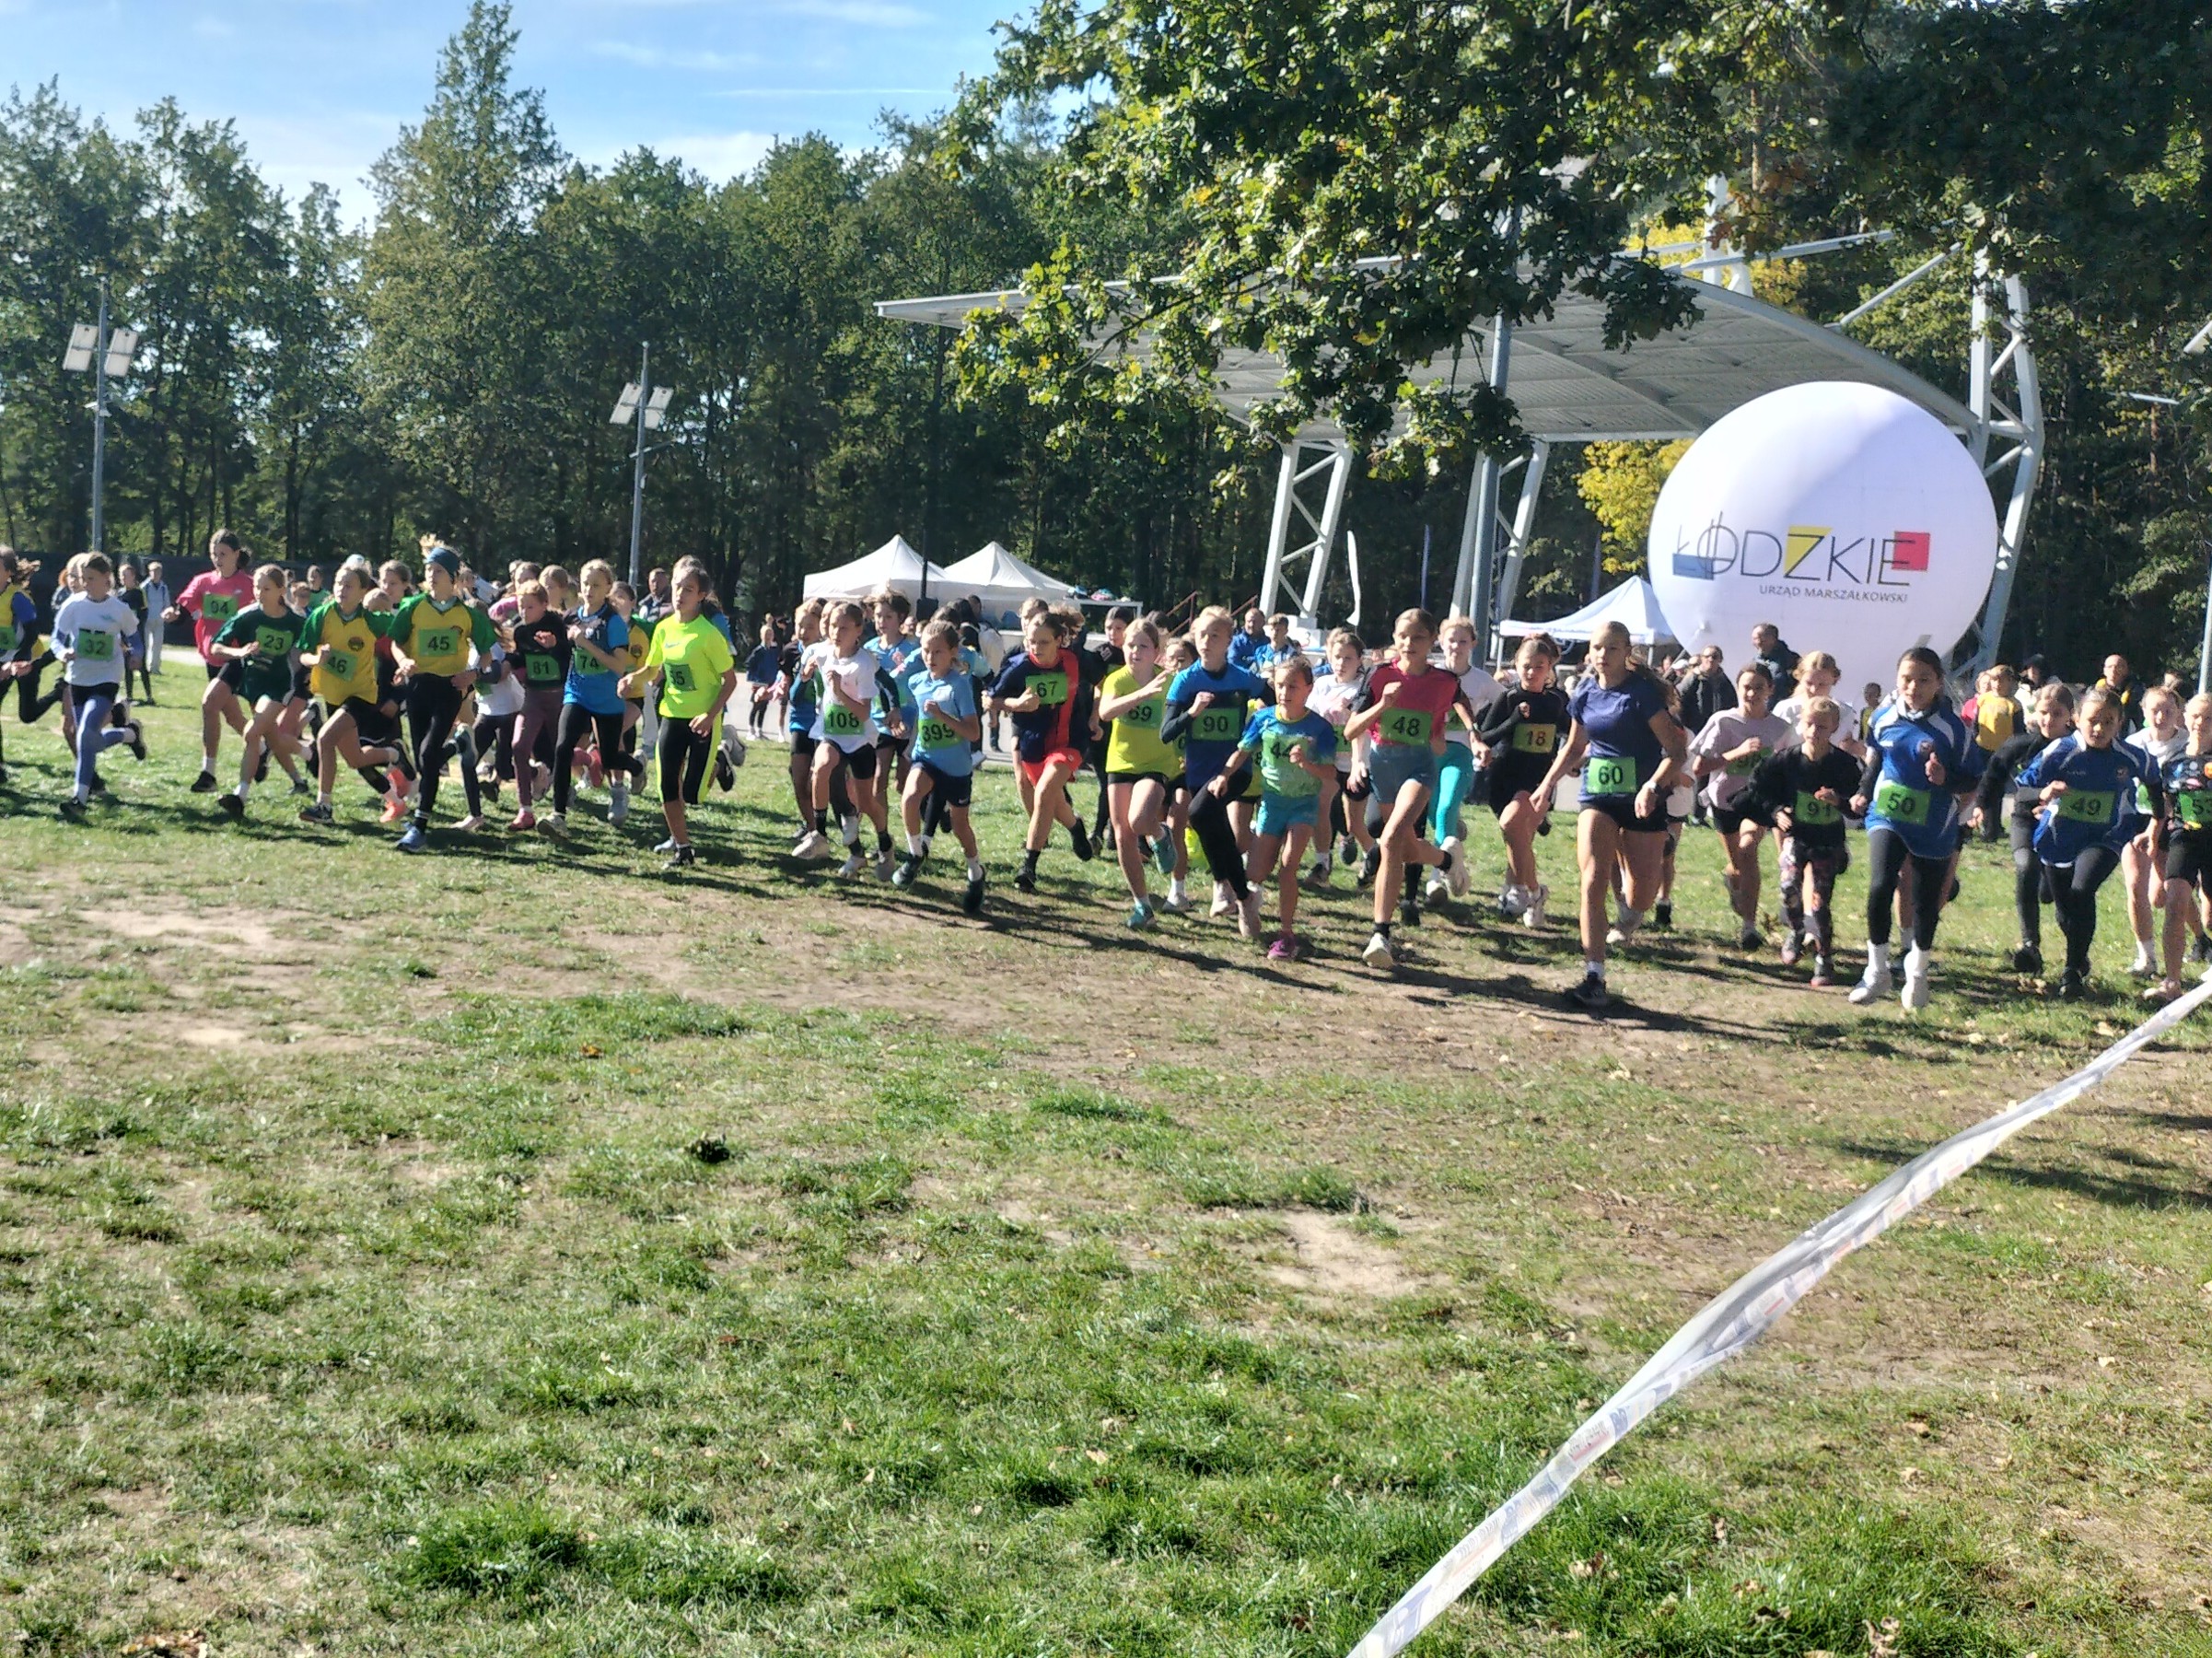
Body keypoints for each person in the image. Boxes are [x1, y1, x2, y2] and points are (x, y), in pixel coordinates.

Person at [1531, 619, 1689, 1010]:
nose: (1603, 655)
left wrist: (1653, 786)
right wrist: (1547, 784)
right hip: (1598, 796)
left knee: (1641, 895)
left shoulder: (1641, 695)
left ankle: (1634, 899)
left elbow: (1676, 752)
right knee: (1592, 880)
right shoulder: (1585, 692)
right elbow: (1574, 747)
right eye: (1597, 648)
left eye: (1612, 648)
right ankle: (1594, 974)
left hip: (1642, 799)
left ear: (1626, 652)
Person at [1847, 647, 1985, 1010]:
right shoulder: (1883, 717)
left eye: (1924, 680)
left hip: (1933, 822)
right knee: (1880, 885)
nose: (1914, 687)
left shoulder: (1953, 729)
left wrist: (1944, 779)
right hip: (1887, 814)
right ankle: (1876, 971)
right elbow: (1877, 759)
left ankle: (1917, 972)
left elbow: (1972, 779)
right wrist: (1863, 792)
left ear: (1939, 683)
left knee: (1924, 901)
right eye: (1907, 679)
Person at [2016, 685, 2160, 999]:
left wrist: (2157, 820)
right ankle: (2079, 957)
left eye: (2108, 722)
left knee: (2082, 890)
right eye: (2093, 721)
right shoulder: (2061, 751)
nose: (2099, 729)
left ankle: (2071, 972)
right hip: (2059, 838)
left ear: (2119, 723)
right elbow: (2022, 789)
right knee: (2065, 911)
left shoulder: (2128, 755)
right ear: (2077, 719)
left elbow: (2153, 778)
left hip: (2107, 836)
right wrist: (2043, 793)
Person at [1344, 608, 1470, 969]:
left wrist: (1465, 735)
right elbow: (1351, 730)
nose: (1408, 643)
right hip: (1384, 767)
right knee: (1407, 849)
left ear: (1432, 641)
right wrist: (1383, 705)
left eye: (1417, 637)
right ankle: (1447, 859)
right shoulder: (1380, 674)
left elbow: (1452, 710)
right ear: (1394, 638)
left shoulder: (1444, 681)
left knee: (1390, 840)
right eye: (1402, 636)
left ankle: (1380, 934)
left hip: (1419, 768)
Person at [1214, 654, 1336, 959]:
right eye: (1280, 685)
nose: (1285, 692)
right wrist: (1224, 776)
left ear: (1308, 689)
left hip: (1303, 805)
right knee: (1255, 873)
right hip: (1272, 803)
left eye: (1293, 686)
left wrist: (1307, 764)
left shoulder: (1319, 728)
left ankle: (1286, 935)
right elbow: (1242, 751)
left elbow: (1330, 773)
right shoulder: (1263, 719)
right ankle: (1248, 905)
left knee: (1288, 865)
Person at [619, 566, 738, 869]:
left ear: (701, 595)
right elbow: (653, 669)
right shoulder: (664, 628)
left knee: (693, 793)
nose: (680, 594)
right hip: (672, 714)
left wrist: (710, 715)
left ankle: (719, 762)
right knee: (667, 786)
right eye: (677, 586)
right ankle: (683, 849)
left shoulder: (709, 635)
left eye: (688, 589)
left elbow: (730, 681)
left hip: (703, 719)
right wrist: (632, 678)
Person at [1163, 608, 1274, 928]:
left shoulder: (1242, 678)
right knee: (1213, 825)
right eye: (1202, 635)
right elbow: (1166, 732)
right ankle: (1241, 897)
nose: (1207, 641)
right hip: (1199, 771)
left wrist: (1258, 727)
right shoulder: (1186, 680)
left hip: (1235, 768)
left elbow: (1275, 702)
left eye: (1215, 636)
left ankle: (1233, 892)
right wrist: (1192, 712)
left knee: (1198, 813)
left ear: (1228, 641)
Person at [1743, 696, 1862, 986]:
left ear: (1834, 728)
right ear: (1800, 724)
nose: (1813, 731)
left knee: (1819, 903)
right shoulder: (1786, 760)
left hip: (1827, 841)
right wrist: (1776, 812)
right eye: (1809, 724)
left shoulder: (1844, 764)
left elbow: (1858, 805)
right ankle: (1796, 931)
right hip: (1796, 837)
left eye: (1821, 727)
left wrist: (1839, 801)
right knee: (1788, 888)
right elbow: (1757, 786)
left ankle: (1825, 957)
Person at [386, 545, 498, 852]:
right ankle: (459, 745)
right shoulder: (413, 607)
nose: (431, 576)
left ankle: (419, 827)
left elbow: (487, 654)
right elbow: (396, 642)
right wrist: (403, 661)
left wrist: (473, 674)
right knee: (426, 761)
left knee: (427, 753)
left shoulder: (467, 614)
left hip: (449, 688)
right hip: (418, 687)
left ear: (452, 578)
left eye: (438, 571)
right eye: (428, 570)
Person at [988, 607, 1097, 893]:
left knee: (1045, 793)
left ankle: (1029, 866)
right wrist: (1016, 705)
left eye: (1044, 642)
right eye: (1031, 641)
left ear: (1060, 640)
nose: (1036, 648)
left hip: (1070, 742)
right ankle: (1075, 827)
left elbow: (1103, 681)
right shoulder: (1019, 667)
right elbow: (990, 698)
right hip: (1034, 745)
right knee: (1054, 803)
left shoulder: (1075, 660)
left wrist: (1095, 717)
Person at [1971, 681, 2074, 976]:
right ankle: (2030, 945)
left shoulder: (2078, 748)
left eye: (2057, 714)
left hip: (2064, 826)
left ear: (2070, 715)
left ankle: (2075, 956)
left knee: (2054, 892)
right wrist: (1980, 805)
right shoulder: (2019, 745)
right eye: (2044, 712)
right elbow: (1994, 775)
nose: (2048, 720)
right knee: (2026, 867)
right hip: (2024, 819)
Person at [297, 565, 412, 825]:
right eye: (339, 583)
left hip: (361, 695)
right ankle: (394, 772)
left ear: (363, 592)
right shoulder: (322, 615)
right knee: (355, 759)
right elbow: (303, 653)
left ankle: (324, 807)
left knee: (324, 738)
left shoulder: (371, 620)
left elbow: (401, 634)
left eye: (349, 585)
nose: (342, 589)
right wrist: (317, 659)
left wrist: (404, 663)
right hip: (333, 696)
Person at [1688, 663, 1789, 950]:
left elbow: (1787, 767)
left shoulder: (1780, 728)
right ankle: (1733, 879)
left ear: (1770, 690)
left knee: (1748, 850)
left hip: (1758, 802)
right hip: (1725, 801)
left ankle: (1749, 928)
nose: (1752, 693)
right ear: (1737, 688)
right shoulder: (1723, 722)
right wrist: (1737, 753)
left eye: (1759, 687)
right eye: (1746, 687)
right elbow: (1699, 767)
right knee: (1738, 865)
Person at [890, 619, 986, 913]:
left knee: (960, 827)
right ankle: (915, 854)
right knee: (909, 797)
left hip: (956, 767)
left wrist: (942, 716)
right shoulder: (917, 682)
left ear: (953, 652)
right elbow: (907, 706)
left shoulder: (959, 685)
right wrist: (898, 719)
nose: (930, 657)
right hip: (926, 758)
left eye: (938, 652)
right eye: (926, 651)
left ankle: (976, 872)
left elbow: (973, 733)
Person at [796, 600, 897, 878]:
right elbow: (805, 671)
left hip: (859, 739)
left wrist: (840, 692)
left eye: (843, 628)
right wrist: (805, 674)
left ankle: (885, 843)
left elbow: (864, 712)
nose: (836, 633)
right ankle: (819, 834)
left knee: (867, 802)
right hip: (831, 732)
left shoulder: (863, 663)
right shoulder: (823, 652)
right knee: (821, 767)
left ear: (858, 631)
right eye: (832, 626)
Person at [1477, 633, 1568, 928]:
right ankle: (1532, 893)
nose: (1532, 672)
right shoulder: (1509, 698)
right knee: (1518, 839)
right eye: (1527, 666)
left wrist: (1570, 762)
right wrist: (1514, 720)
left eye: (1539, 666)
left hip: (1538, 779)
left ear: (1549, 668)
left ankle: (1520, 891)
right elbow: (1485, 736)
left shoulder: (1556, 702)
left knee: (1512, 827)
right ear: (1516, 664)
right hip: (1505, 775)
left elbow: (1572, 734)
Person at [206, 563, 310, 819]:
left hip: (279, 687)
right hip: (252, 684)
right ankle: (301, 773)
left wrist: (312, 664)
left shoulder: (296, 621)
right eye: (256, 587)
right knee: (272, 736)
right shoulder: (248, 615)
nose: (259, 593)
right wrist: (239, 652)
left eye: (266, 589)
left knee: (252, 733)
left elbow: (310, 649)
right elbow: (215, 647)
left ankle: (240, 795)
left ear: (282, 591)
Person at [550, 560, 645, 833]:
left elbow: (619, 666)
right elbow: (566, 650)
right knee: (562, 748)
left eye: (596, 585)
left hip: (607, 701)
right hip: (577, 694)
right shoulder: (572, 616)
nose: (589, 590)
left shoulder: (612, 622)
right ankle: (558, 815)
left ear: (608, 588)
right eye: (585, 584)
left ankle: (636, 767)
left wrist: (586, 644)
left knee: (610, 758)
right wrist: (553, 644)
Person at [49, 554, 146, 819]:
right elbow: (56, 640)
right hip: (78, 679)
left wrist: (136, 655)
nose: (85, 584)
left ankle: (79, 799)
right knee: (90, 741)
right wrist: (63, 653)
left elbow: (136, 640)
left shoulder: (119, 609)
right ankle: (130, 734)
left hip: (106, 679)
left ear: (107, 579)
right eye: (83, 579)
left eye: (91, 579)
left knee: (84, 734)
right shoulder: (73, 605)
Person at [1096, 618, 1179, 928]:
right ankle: (1142, 906)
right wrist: (1143, 694)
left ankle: (1160, 834)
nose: (1135, 651)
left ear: (1156, 651)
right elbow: (1105, 712)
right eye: (1130, 645)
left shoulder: (1169, 681)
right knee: (1123, 835)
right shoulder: (1117, 680)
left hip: (1156, 762)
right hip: (1121, 762)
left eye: (1143, 646)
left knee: (1140, 820)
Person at [170, 531, 255, 793]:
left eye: (223, 554)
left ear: (236, 555)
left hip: (237, 657)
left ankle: (208, 773)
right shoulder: (203, 582)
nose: (218, 559)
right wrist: (173, 615)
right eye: (214, 554)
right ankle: (264, 748)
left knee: (209, 704)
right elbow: (183, 610)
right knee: (232, 716)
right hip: (212, 656)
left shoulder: (249, 585)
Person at [1426, 615, 1503, 905]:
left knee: (1445, 809)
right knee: (1434, 813)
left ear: (1473, 644)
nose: (1456, 646)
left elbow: (1505, 706)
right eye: (1451, 640)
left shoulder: (1482, 681)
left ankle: (1436, 879)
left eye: (1462, 641)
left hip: (1460, 753)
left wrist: (1484, 737)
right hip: (1429, 752)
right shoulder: (1430, 674)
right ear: (1440, 642)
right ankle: (1453, 847)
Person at [2148, 692, 2212, 1002]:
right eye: (2196, 716)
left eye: (2209, 718)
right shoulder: (2172, 764)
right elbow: (2163, 808)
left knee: (2210, 918)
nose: (2201, 723)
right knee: (2175, 905)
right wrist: (2153, 840)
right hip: (2183, 838)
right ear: (2185, 718)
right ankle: (2172, 982)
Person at [2122, 685, 2186, 977]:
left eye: (2168, 711)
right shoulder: (2133, 744)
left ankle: (2201, 938)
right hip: (2138, 819)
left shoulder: (2188, 744)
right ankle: (2146, 957)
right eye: (2155, 710)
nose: (2160, 717)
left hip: (2174, 822)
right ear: (2144, 712)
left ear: (2178, 713)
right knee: (2136, 885)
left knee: (2162, 897)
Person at [503, 580, 572, 831]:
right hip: (533, 697)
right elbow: (521, 657)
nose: (524, 612)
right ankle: (525, 810)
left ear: (544, 604)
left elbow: (569, 655)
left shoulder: (557, 625)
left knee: (561, 751)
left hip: (559, 697)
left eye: (530, 606)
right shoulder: (521, 631)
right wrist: (508, 663)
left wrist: (555, 646)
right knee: (519, 747)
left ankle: (588, 759)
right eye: (521, 606)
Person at [1678, 645, 1736, 744]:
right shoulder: (1693, 678)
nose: (1710, 659)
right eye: (1706, 656)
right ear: (1701, 658)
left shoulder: (1725, 681)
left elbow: (1733, 704)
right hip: (1696, 730)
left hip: (1719, 730)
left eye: (1714, 657)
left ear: (1720, 660)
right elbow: (1679, 699)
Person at [115, 561, 155, 705]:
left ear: (133, 576)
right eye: (121, 575)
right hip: (123, 635)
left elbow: (144, 613)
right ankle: (129, 696)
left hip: (136, 634)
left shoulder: (139, 593)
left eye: (126, 575)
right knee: (127, 665)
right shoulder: (119, 594)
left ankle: (149, 696)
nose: (123, 578)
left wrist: (136, 627)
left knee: (141, 665)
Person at [745, 619, 780, 738]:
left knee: (764, 707)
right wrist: (755, 677)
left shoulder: (773, 651)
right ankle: (750, 730)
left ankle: (759, 729)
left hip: (769, 683)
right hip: (759, 683)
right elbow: (749, 663)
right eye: (766, 634)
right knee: (756, 706)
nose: (768, 637)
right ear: (761, 636)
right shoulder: (759, 650)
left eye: (770, 634)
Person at [1750, 623, 1799, 702]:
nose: (1757, 643)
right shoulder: (1755, 662)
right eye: (1754, 639)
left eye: (1758, 638)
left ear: (1772, 638)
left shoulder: (1791, 659)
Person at [2095, 653, 2144, 734]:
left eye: (2118, 667)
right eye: (2109, 667)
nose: (2113, 670)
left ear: (2126, 670)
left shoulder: (2136, 693)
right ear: (2104, 670)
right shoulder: (2094, 691)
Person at [141, 560, 170, 675]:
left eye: (157, 572)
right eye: (153, 571)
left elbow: (166, 603)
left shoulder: (163, 588)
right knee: (145, 645)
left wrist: (166, 614)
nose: (155, 574)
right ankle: (143, 668)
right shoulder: (144, 587)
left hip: (159, 620)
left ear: (161, 573)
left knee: (157, 645)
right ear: (149, 572)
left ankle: (155, 668)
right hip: (146, 620)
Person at [1228, 606, 1268, 672]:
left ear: (1263, 623)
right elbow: (1232, 663)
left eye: (1255, 622)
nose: (1251, 625)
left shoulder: (1269, 643)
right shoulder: (1236, 642)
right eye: (1249, 621)